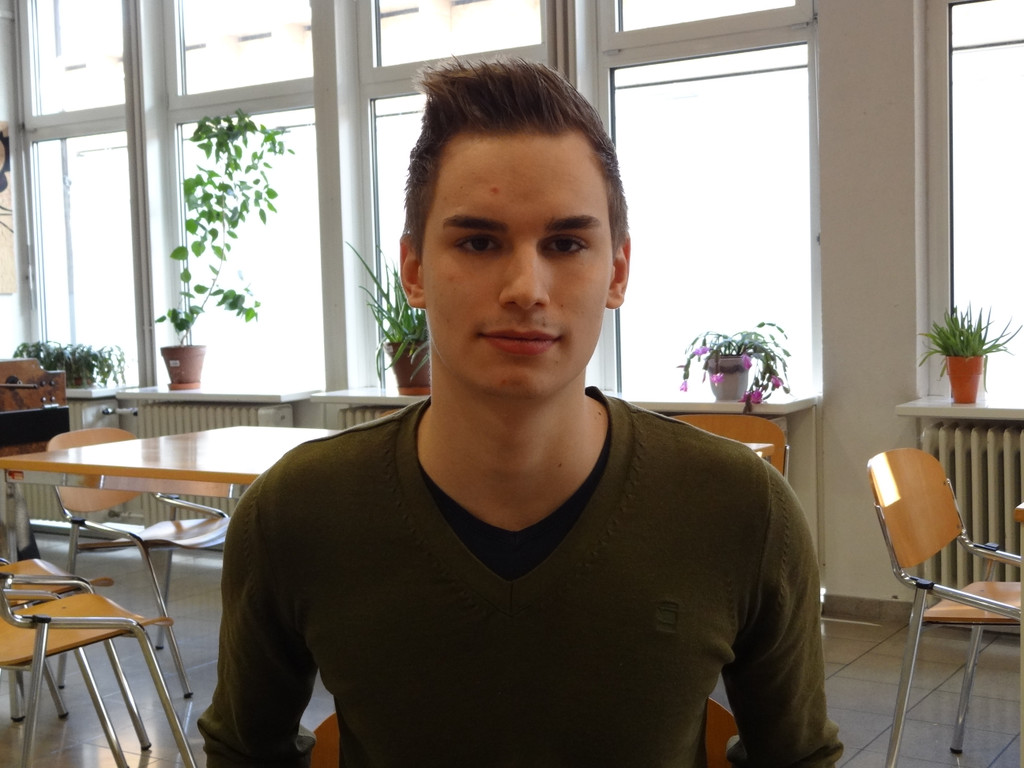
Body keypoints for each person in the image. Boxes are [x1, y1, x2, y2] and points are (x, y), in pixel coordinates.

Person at [198, 57, 842, 767]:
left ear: (617, 271)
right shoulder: (296, 513)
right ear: (413, 270)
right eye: (479, 242)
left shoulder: (740, 510)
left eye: (566, 244)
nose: (525, 288)